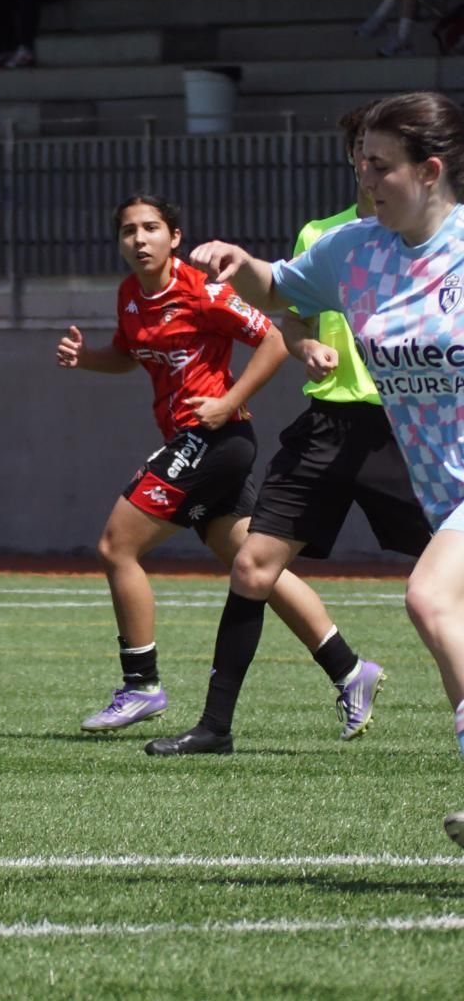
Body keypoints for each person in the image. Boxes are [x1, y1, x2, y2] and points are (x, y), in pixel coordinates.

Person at [189, 91, 464, 843]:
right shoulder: (354, 250)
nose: (364, 179)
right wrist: (239, 264)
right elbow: (279, 288)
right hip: (445, 494)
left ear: (431, 169)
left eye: (379, 166)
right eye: (358, 164)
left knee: (432, 599)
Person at [149, 106, 431, 754]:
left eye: (381, 156)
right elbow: (290, 313)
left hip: (404, 430)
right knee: (251, 564)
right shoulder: (324, 236)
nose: (370, 167)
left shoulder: (434, 242)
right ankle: (214, 727)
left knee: (444, 578)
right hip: (329, 426)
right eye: (361, 154)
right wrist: (305, 347)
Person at [56, 194, 349, 753]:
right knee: (250, 564)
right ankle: (347, 667)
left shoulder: (203, 289)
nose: (138, 240)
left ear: (175, 237)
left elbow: (272, 337)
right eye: (127, 232)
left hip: (216, 438)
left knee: (116, 545)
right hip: (194, 442)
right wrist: (87, 357)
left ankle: (141, 684)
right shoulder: (130, 296)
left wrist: (228, 400)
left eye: (150, 229)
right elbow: (127, 353)